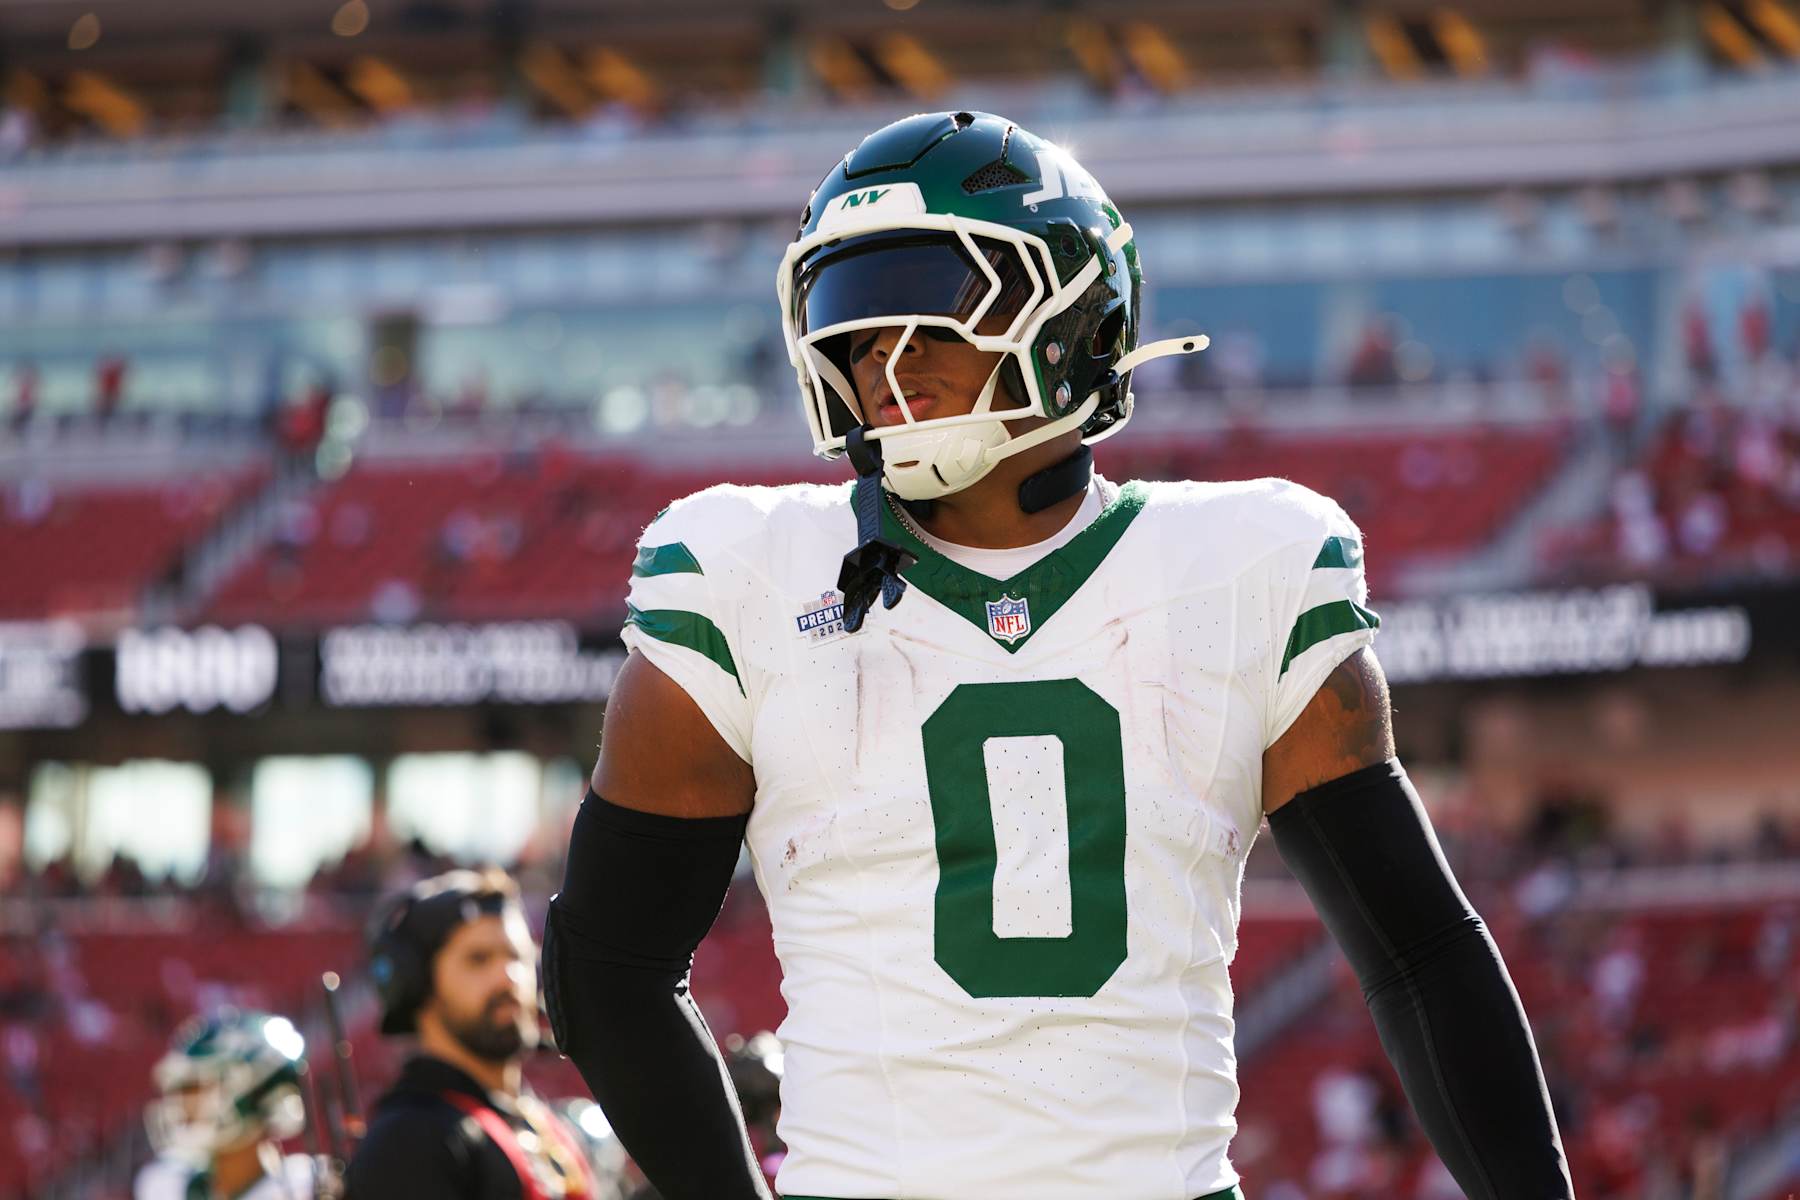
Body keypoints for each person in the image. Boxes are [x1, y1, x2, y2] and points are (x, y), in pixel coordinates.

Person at [542, 111, 1573, 1199]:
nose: (884, 363)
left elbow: (1418, 953)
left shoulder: (1238, 567)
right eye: (853, 323)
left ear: (1075, 317)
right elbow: (605, 972)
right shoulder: (749, 574)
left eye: (932, 315)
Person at [345, 868, 600, 1200]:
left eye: (517, 957)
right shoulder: (411, 1141)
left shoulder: (545, 1126)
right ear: (418, 985)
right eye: (478, 960)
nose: (507, 977)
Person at [134, 1009, 320, 1200]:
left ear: (252, 1093)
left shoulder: (303, 1188)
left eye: (196, 1088)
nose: (181, 1106)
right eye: (181, 1092)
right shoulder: (168, 1185)